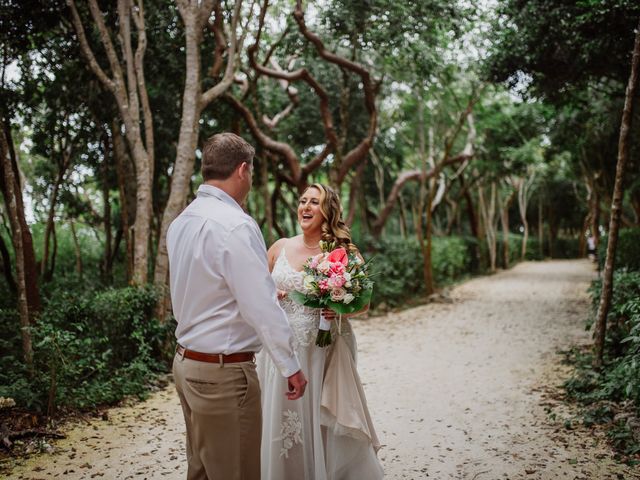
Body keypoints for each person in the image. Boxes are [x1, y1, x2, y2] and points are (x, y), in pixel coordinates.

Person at [166, 132, 307, 480]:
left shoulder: (181, 222)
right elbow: (260, 305)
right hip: (224, 375)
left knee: (200, 470)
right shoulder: (236, 225)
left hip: (186, 364)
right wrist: (290, 365)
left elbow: (204, 292)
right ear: (243, 170)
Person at [257, 183, 384, 480]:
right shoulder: (279, 247)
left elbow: (363, 303)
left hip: (322, 349)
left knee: (319, 417)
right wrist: (271, 295)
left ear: (328, 211)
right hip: (281, 348)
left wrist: (339, 307)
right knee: (279, 414)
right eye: (303, 201)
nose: (306, 207)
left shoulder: (343, 253)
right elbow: (257, 291)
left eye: (315, 202)